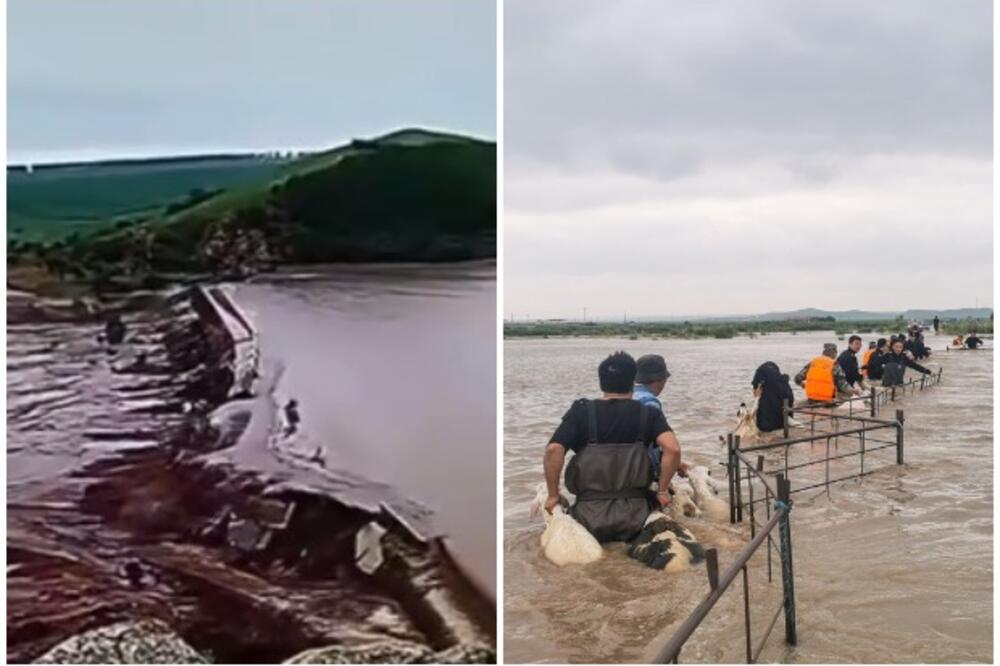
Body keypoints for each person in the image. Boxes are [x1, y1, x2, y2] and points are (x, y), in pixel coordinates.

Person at [543, 351, 686, 543]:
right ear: (632, 381)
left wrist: (553, 495)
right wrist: (662, 491)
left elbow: (553, 449)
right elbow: (673, 449)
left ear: (601, 381)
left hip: (588, 516)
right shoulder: (648, 414)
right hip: (638, 515)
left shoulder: (580, 412)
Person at [633, 354, 670, 471]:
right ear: (660, 380)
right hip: (643, 470)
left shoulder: (628, 395)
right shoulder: (650, 403)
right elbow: (669, 447)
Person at [794, 343, 859, 402]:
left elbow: (797, 378)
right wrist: (853, 390)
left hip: (811, 399)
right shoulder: (834, 364)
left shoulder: (813, 362)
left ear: (823, 352)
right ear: (834, 353)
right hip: (826, 401)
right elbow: (842, 384)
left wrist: (803, 385)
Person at [751, 361, 794, 433]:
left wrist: (757, 397)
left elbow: (755, 390)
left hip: (767, 426)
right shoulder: (784, 384)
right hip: (782, 423)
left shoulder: (761, 372)